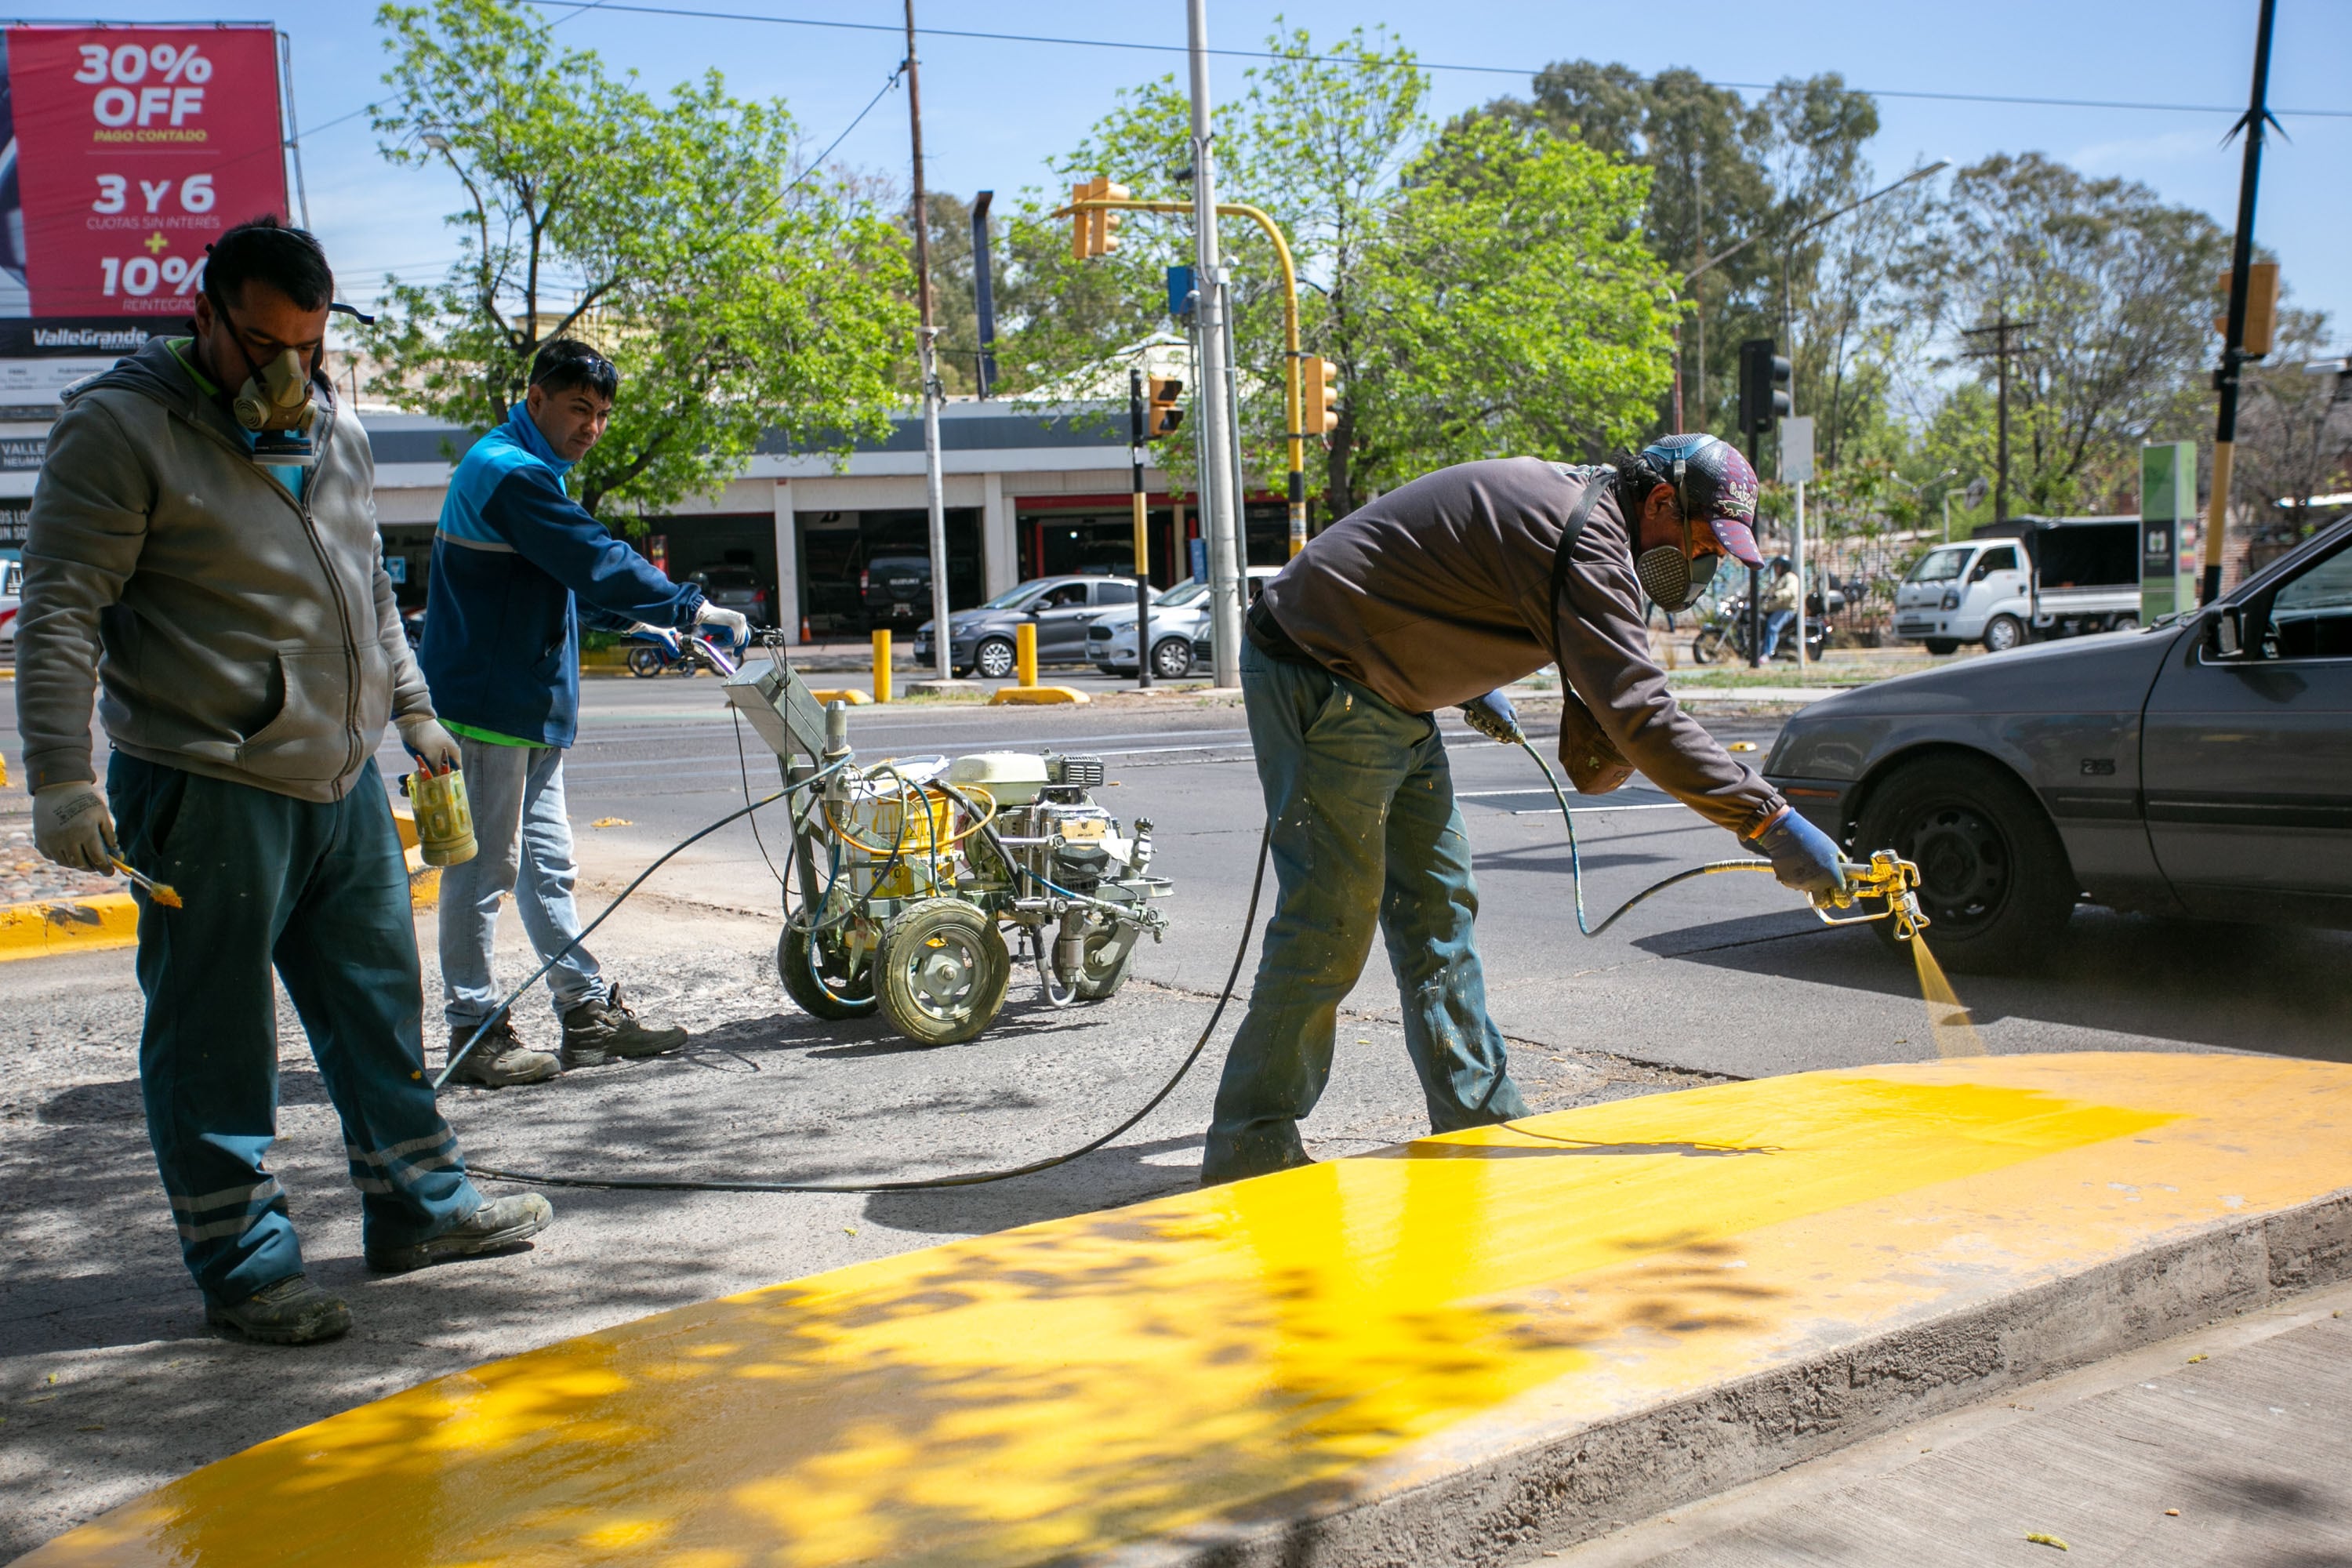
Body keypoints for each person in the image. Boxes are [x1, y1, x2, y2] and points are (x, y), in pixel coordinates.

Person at [15, 217, 551, 1344]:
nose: (285, 373)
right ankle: (246, 1264)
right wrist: (61, 779)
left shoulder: (336, 426)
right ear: (201, 315)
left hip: (342, 776)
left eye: (306, 346)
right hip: (204, 781)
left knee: (375, 1004)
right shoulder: (119, 430)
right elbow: (60, 614)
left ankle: (420, 1208)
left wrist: (411, 711)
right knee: (215, 1032)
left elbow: (365, 586)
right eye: (260, 344)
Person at [1204, 436, 1846, 1185]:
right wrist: (1768, 819)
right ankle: (1252, 1140)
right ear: (1663, 503)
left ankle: (1478, 1118)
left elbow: (1444, 559)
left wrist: (1462, 667)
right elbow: (1642, 714)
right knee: (1330, 920)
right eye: (1702, 539)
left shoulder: (1592, 516)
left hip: (1393, 689)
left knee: (1440, 906)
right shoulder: (1589, 540)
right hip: (1325, 672)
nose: (1701, 561)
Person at [421, 339, 749, 1087]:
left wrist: (650, 626)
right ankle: (475, 1032)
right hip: (490, 705)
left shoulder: (531, 471)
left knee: (548, 870)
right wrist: (689, 604)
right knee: (483, 871)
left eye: (601, 413)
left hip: (527, 705)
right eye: (579, 408)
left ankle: (586, 1015)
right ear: (536, 398)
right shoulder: (507, 473)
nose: (591, 426)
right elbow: (590, 558)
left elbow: (558, 581)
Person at [1759, 555, 1801, 660]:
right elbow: (1769, 592)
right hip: (1775, 608)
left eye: (1778, 566)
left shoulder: (1791, 577)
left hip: (1787, 609)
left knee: (1772, 626)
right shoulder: (1778, 579)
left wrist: (1778, 594)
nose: (1776, 569)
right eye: (1775, 566)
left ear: (1785, 567)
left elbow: (1791, 592)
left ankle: (1767, 654)